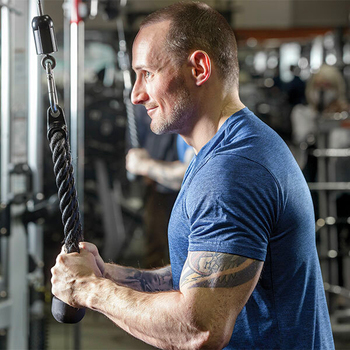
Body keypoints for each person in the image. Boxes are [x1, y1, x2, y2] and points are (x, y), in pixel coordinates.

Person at [51, 2, 334, 349]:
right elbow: (202, 272)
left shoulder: (231, 172)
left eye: (148, 74)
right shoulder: (228, 150)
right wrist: (110, 275)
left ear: (199, 68)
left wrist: (91, 290)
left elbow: (198, 327)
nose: (136, 95)